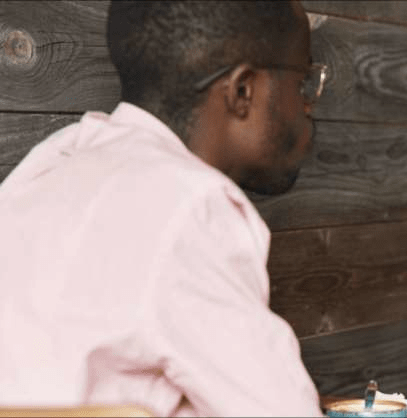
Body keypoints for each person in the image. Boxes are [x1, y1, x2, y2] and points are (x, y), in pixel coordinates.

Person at [0, 1, 326, 416]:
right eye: (303, 83)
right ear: (243, 90)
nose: (308, 105)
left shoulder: (48, 166)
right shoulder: (190, 205)